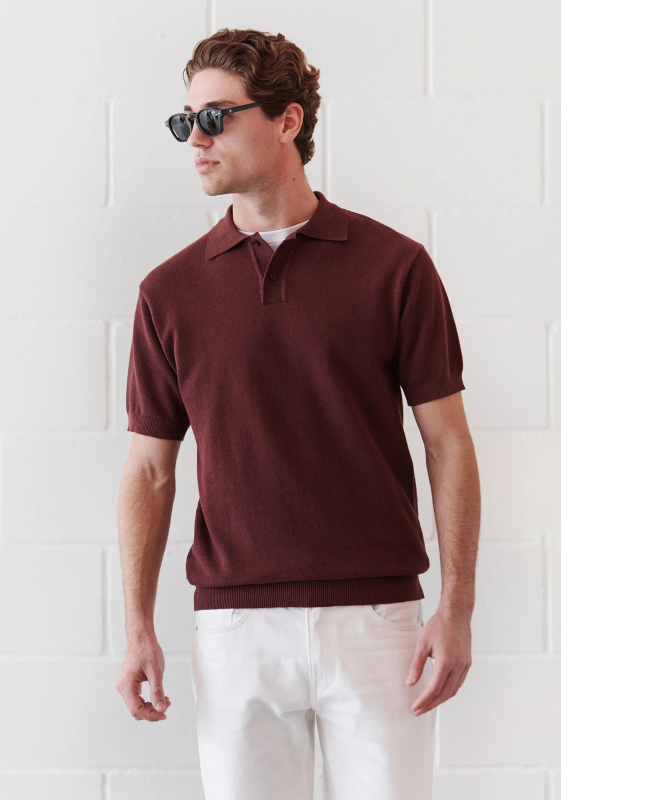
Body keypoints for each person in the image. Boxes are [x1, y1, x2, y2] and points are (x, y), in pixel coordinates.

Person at [116, 28, 480, 800]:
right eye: (185, 122)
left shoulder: (395, 267)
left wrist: (457, 608)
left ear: (288, 120)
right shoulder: (168, 293)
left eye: (214, 118)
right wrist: (138, 626)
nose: (195, 140)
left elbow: (448, 444)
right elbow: (150, 472)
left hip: (379, 622)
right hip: (235, 631)